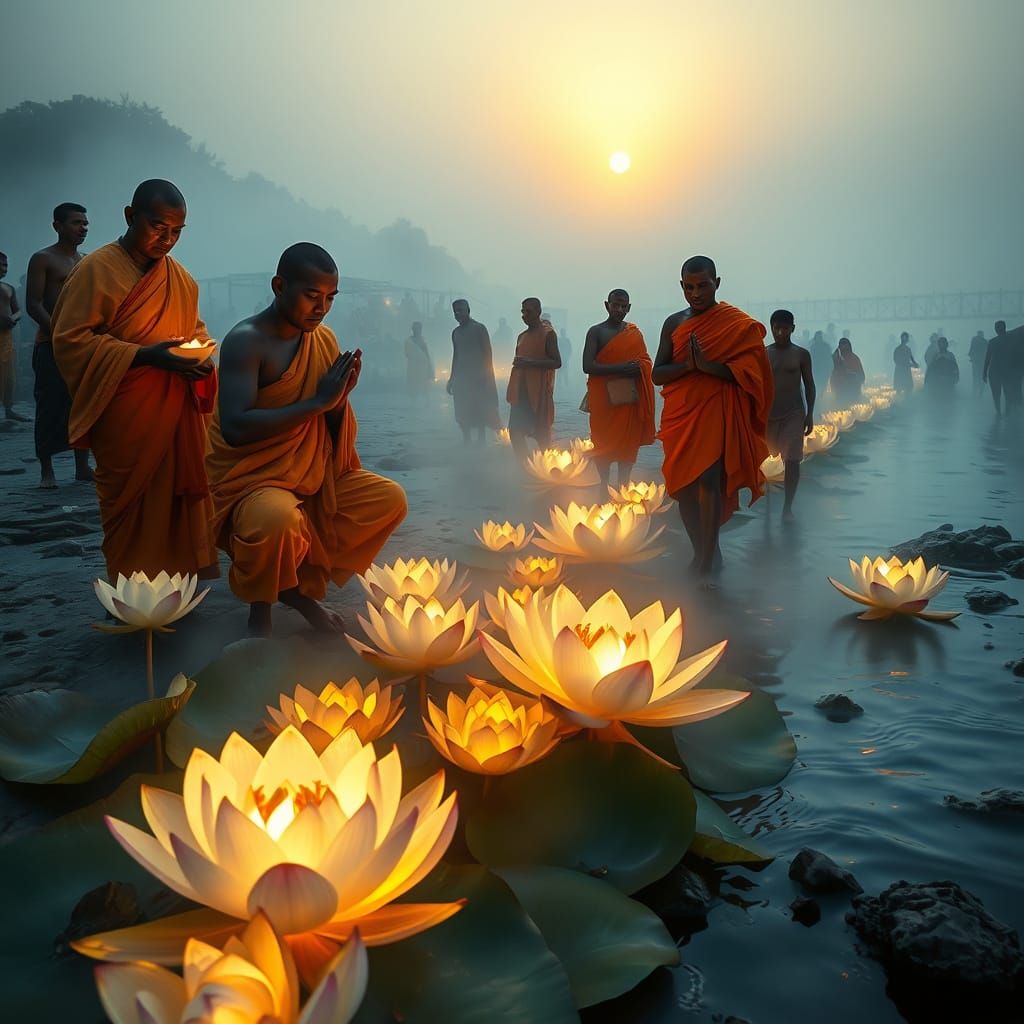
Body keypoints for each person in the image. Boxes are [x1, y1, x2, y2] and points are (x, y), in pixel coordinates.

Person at [207, 243, 407, 637]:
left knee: (388, 500)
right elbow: (235, 426)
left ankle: (295, 588)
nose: (321, 308)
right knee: (277, 519)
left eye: (330, 298)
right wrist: (318, 402)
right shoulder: (246, 341)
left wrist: (338, 399)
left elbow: (328, 425)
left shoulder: (324, 340)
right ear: (279, 286)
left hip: (311, 472)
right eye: (311, 296)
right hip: (253, 480)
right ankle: (262, 611)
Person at [50, 179, 218, 582]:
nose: (168, 239)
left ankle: (177, 586)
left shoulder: (182, 280)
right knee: (129, 506)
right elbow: (70, 341)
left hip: (173, 410)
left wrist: (202, 360)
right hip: (125, 413)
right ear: (130, 216)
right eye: (159, 226)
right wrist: (146, 356)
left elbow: (196, 331)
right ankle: (129, 590)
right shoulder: (96, 270)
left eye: (177, 231)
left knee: (175, 502)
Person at [653, 256, 773, 579]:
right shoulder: (674, 323)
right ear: (681, 287)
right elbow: (657, 373)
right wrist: (689, 367)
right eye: (689, 287)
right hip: (680, 413)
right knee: (683, 488)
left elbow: (752, 373)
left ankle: (705, 561)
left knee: (708, 479)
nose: (696, 293)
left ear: (717, 283)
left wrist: (710, 368)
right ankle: (705, 551)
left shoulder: (736, 324)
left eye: (703, 286)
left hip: (715, 410)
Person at [26, 204, 95, 486]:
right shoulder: (43, 259)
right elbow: (34, 304)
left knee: (82, 405)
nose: (83, 228)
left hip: (81, 344)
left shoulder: (87, 261)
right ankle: (47, 470)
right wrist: (58, 333)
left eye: (85, 223)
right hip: (51, 343)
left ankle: (82, 466)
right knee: (49, 404)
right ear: (57, 226)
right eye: (76, 222)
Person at [582, 288, 655, 487]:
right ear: (607, 305)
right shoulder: (596, 331)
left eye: (624, 306)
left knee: (627, 444)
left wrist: (640, 367)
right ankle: (603, 485)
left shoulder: (634, 333)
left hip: (627, 399)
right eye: (615, 305)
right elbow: (587, 366)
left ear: (629, 308)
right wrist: (622, 368)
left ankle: (623, 485)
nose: (619, 310)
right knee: (602, 443)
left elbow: (646, 361)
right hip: (603, 399)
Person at [766, 309, 815, 520]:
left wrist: (810, 414)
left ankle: (788, 508)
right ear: (771, 328)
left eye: (785, 328)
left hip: (794, 414)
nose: (780, 333)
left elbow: (810, 385)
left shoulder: (801, 354)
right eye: (777, 328)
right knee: (763, 460)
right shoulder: (763, 354)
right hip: (769, 415)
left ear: (792, 329)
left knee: (792, 460)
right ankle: (763, 502)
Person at [507, 298, 560, 459]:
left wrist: (529, 362)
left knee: (541, 433)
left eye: (528, 311)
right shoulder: (522, 336)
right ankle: (525, 464)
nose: (524, 315)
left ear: (538, 311)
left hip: (539, 392)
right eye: (522, 312)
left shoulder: (548, 334)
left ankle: (546, 467)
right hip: (520, 391)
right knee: (515, 432)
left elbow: (556, 362)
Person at [448, 299, 500, 444]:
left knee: (479, 407)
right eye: (455, 311)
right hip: (461, 378)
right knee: (462, 409)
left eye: (461, 310)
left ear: (468, 310)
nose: (458, 314)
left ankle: (481, 439)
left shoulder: (479, 328)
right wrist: (451, 378)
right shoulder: (456, 333)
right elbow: (456, 355)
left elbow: (488, 354)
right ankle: (466, 439)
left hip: (478, 377)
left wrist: (486, 375)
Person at [0, 252, 27, 422]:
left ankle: (9, 408)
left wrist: (13, 318)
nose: (4, 269)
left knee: (9, 374)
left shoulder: (8, 288)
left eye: (5, 265)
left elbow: (18, 310)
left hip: (6, 336)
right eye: (0, 265)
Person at [983, 320, 1011, 416]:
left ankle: (998, 412)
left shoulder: (992, 342)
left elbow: (988, 358)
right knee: (1007, 392)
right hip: (1007, 370)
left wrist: (984, 372)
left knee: (996, 394)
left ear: (996, 330)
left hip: (994, 371)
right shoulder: (1011, 341)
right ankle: (1007, 412)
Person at [404, 321, 434, 405]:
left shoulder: (423, 339)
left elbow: (426, 352)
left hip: (423, 366)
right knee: (413, 383)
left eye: (419, 328)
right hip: (413, 366)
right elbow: (407, 354)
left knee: (425, 384)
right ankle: (413, 401)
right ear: (413, 329)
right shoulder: (409, 341)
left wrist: (429, 363)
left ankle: (427, 401)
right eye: (416, 328)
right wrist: (415, 356)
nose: (418, 330)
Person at [830, 338, 865, 406]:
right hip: (840, 389)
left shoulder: (854, 358)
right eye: (842, 345)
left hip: (853, 389)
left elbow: (861, 374)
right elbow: (833, 373)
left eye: (845, 345)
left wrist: (853, 375)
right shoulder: (836, 358)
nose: (844, 347)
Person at [810, 330, 832, 395]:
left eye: (820, 337)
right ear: (815, 338)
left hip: (824, 369)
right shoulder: (813, 347)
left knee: (823, 384)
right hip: (816, 369)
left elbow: (829, 358)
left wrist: (830, 368)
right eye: (817, 337)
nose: (819, 338)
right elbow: (811, 358)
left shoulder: (826, 346)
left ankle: (820, 396)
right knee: (816, 384)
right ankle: (817, 398)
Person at [968, 330, 988, 396]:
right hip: (981, 362)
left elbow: (971, 351)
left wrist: (971, 357)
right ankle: (979, 392)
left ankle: (975, 392)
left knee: (976, 377)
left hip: (977, 361)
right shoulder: (985, 341)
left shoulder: (974, 340)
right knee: (980, 377)